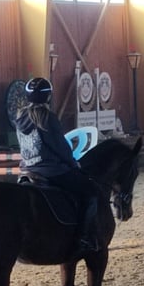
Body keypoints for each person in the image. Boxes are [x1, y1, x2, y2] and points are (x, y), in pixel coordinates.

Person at [15, 77, 100, 253]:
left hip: (27, 170)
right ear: (48, 97)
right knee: (91, 193)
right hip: (51, 171)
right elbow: (59, 147)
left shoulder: (20, 117)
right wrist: (73, 163)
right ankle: (83, 237)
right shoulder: (47, 117)